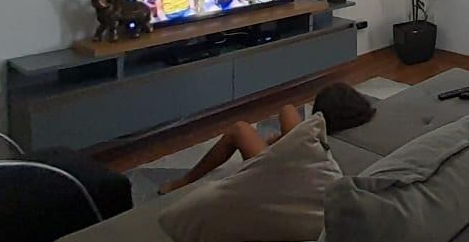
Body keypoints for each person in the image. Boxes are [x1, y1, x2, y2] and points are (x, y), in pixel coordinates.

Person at [158, 83, 376, 194]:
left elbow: (288, 114)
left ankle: (183, 182)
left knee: (241, 129)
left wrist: (283, 139)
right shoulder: (342, 136)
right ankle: (283, 141)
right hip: (294, 163)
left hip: (280, 179)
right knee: (286, 115)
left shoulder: (312, 141)